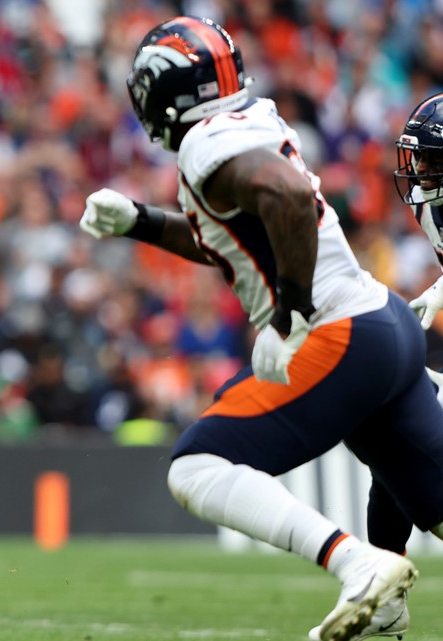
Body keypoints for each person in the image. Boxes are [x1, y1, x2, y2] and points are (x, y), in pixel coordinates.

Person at [80, 16, 443, 641]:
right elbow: (230, 241)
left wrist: (287, 314)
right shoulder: (253, 120)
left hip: (337, 335)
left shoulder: (204, 145)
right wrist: (139, 221)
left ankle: (356, 565)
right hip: (385, 324)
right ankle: (383, 603)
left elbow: (287, 200)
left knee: (196, 466)